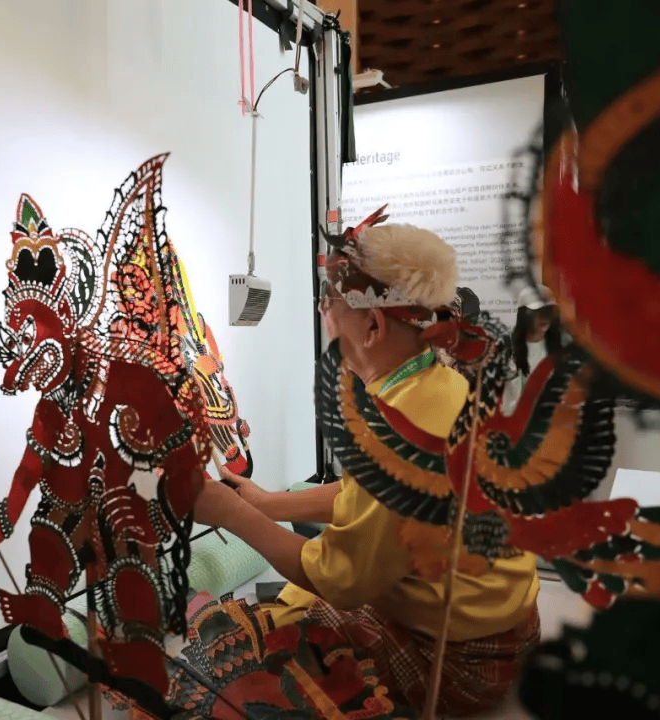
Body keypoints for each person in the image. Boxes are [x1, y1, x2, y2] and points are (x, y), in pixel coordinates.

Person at [193, 221, 540, 716]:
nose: (323, 314)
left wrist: (231, 514)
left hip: (462, 662)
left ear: (373, 325)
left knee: (239, 654)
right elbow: (364, 497)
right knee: (279, 612)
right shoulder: (436, 385)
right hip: (509, 630)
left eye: (329, 302)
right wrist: (267, 504)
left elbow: (339, 579)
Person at [502, 284, 569, 415]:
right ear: (524, 314)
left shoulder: (560, 351)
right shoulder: (507, 348)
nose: (544, 317)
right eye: (537, 311)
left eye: (548, 311)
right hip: (513, 421)